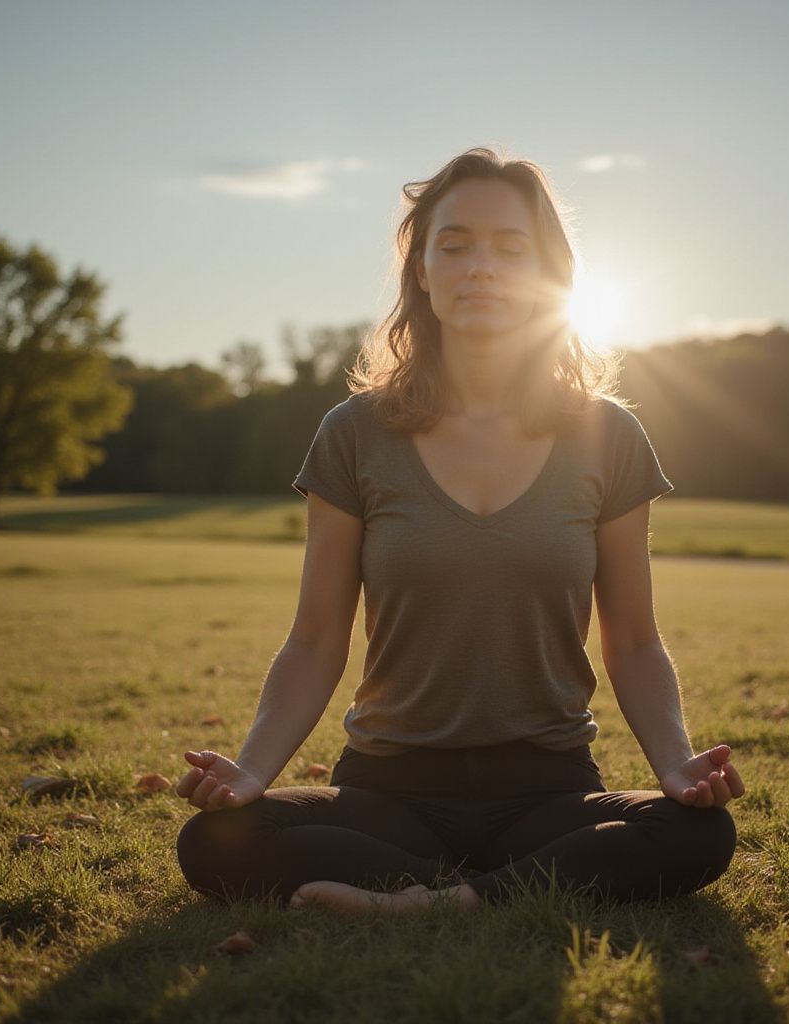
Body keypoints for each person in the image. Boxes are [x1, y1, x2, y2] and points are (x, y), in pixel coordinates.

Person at [175, 146, 744, 915]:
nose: (482, 267)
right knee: (212, 842)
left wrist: (676, 766)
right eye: (455, 245)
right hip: (391, 789)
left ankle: (432, 903)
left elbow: (636, 642)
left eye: (512, 249)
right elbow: (314, 640)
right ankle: (489, 888)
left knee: (697, 834)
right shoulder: (354, 433)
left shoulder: (609, 436)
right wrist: (249, 773)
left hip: (547, 787)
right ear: (421, 270)